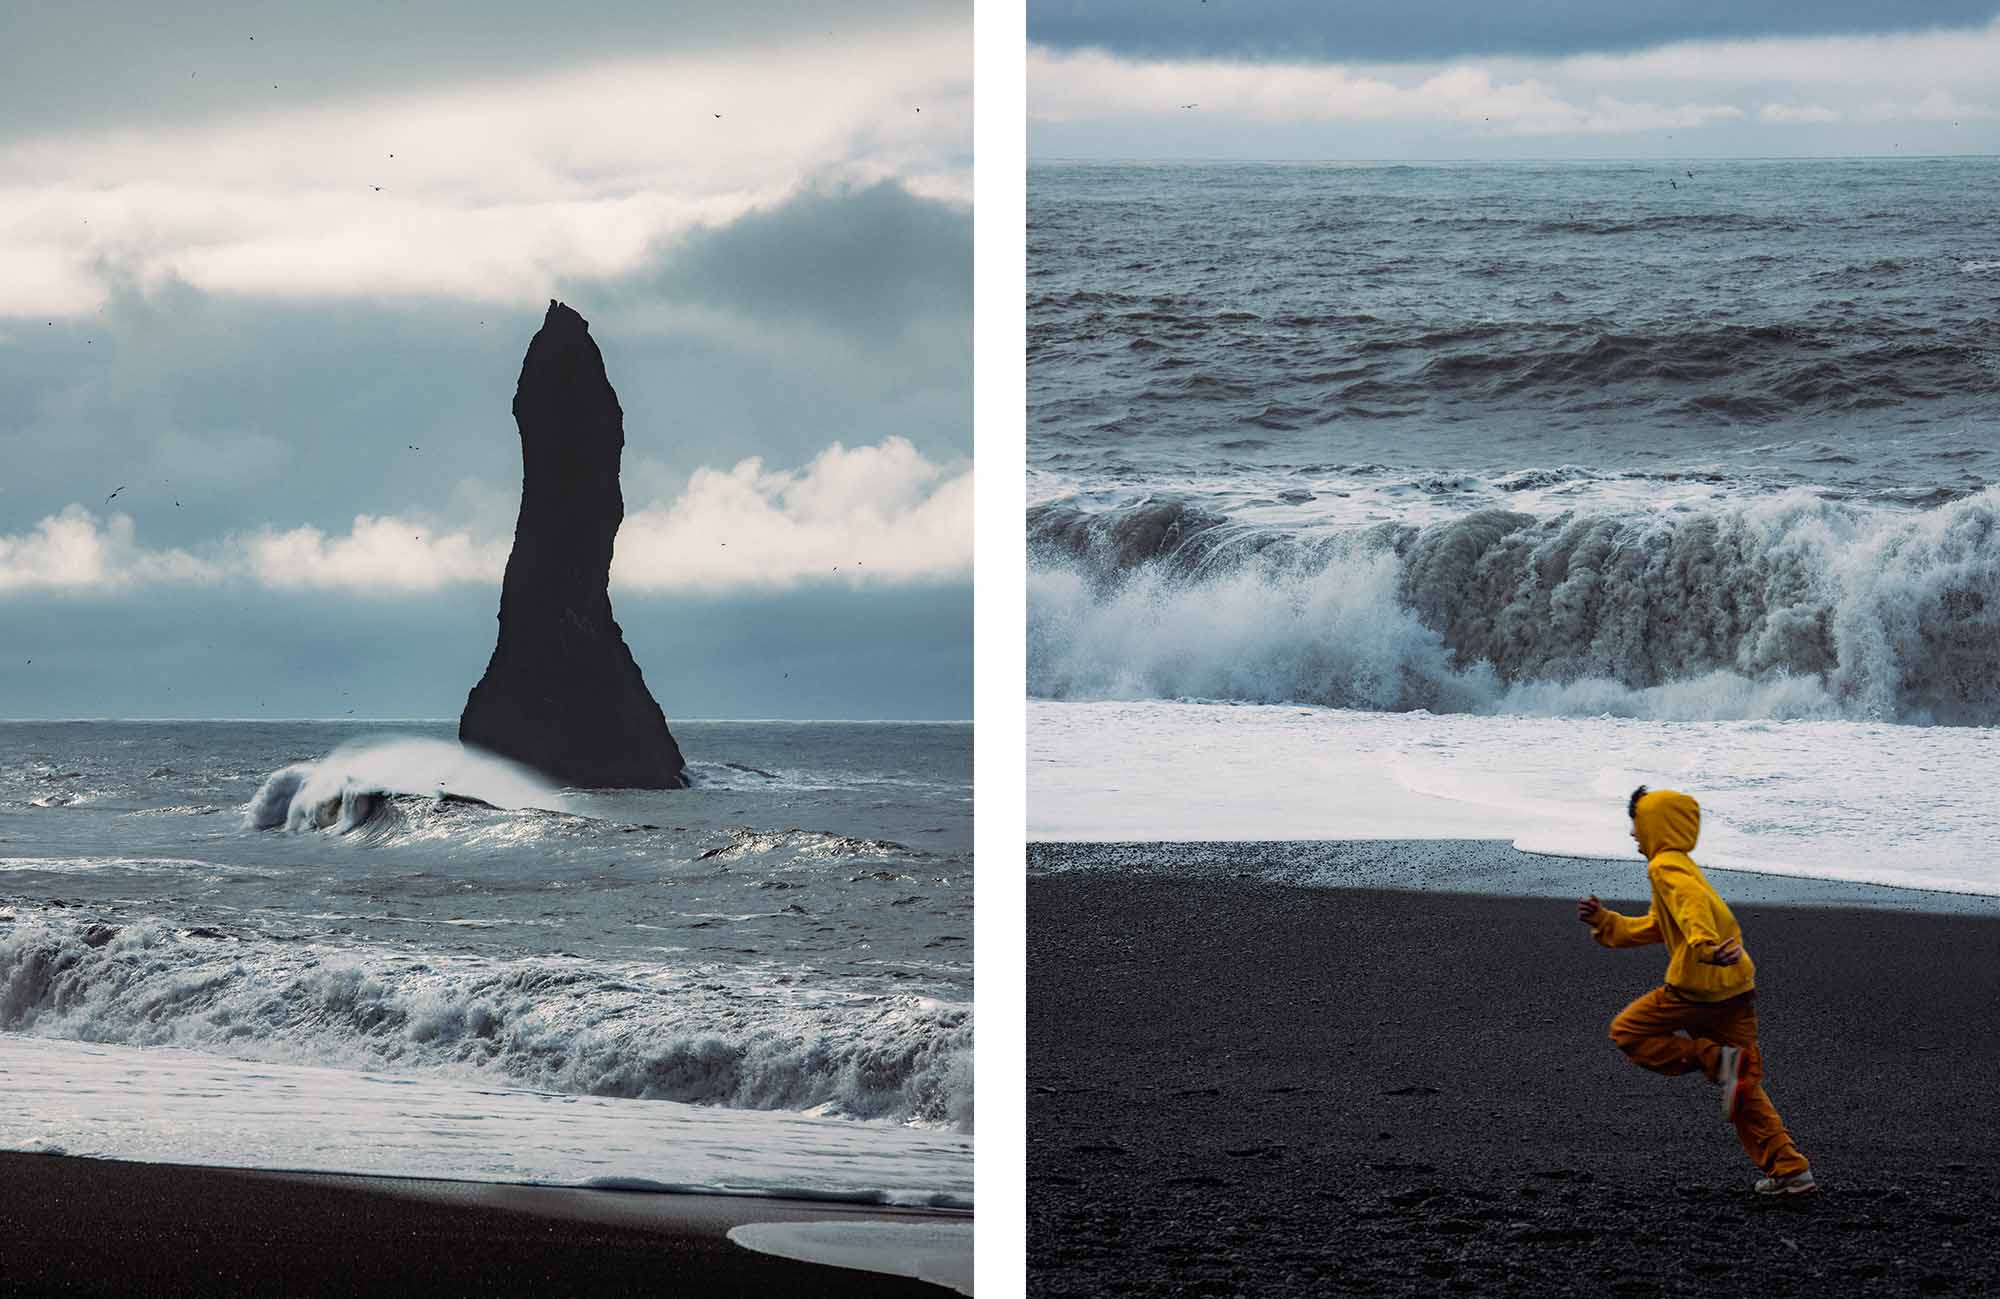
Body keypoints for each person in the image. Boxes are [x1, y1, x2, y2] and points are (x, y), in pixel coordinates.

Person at [1576, 786, 1815, 1195]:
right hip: (1734, 987)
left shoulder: (1666, 867)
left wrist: (1702, 946)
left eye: (1637, 824)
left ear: (1655, 825)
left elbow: (1691, 909)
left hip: (1698, 986)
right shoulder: (1682, 865)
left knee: (1628, 1032)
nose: (1633, 834)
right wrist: (1607, 922)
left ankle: (1717, 1061)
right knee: (1742, 1086)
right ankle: (1790, 1170)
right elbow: (1658, 925)